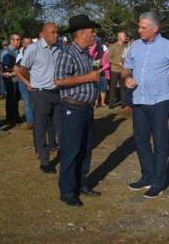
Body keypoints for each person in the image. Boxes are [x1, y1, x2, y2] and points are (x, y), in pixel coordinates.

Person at [122, 11, 169, 198]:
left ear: (154, 29)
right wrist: (126, 79)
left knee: (160, 143)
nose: (139, 30)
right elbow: (126, 69)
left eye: (143, 27)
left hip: (160, 102)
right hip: (139, 100)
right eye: (139, 27)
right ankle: (147, 176)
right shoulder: (135, 46)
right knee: (141, 141)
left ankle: (159, 182)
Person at [54, 14, 102, 207]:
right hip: (72, 109)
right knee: (71, 151)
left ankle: (82, 184)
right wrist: (88, 78)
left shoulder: (84, 54)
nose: (94, 35)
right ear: (81, 34)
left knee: (85, 150)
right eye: (91, 32)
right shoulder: (67, 53)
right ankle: (67, 192)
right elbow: (58, 80)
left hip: (85, 109)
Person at [19, 23, 61, 174]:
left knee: (59, 125)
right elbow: (22, 69)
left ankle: (60, 150)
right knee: (41, 127)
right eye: (53, 32)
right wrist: (33, 82)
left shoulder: (58, 49)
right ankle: (44, 160)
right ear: (43, 34)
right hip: (40, 93)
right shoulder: (33, 49)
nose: (56, 35)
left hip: (57, 93)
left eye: (57, 32)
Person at [1, 34, 21, 125]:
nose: (19, 41)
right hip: (9, 78)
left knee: (16, 98)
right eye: (17, 40)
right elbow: (4, 68)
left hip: (17, 78)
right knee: (10, 98)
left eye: (19, 39)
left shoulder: (18, 51)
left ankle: (15, 116)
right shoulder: (6, 52)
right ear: (12, 41)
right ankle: (10, 118)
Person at [14, 37, 33, 129]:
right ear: (23, 44)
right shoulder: (20, 56)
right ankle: (30, 121)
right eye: (27, 43)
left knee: (35, 102)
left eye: (30, 43)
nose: (29, 45)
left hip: (34, 82)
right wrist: (27, 83)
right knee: (27, 102)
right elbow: (18, 71)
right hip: (23, 82)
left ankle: (37, 120)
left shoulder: (36, 53)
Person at [108, 31, 127, 109]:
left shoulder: (126, 47)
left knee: (123, 87)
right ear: (119, 37)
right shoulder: (113, 46)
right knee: (113, 87)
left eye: (125, 36)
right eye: (124, 36)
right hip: (115, 70)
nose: (125, 37)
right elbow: (109, 59)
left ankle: (123, 103)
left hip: (123, 70)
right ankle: (111, 103)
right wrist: (117, 63)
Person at [89, 37, 110, 107]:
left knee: (103, 88)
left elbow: (108, 63)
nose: (98, 44)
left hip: (103, 72)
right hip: (95, 72)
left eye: (98, 42)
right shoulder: (92, 52)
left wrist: (102, 69)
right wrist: (94, 45)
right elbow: (90, 53)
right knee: (96, 88)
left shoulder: (105, 52)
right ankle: (96, 103)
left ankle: (103, 102)